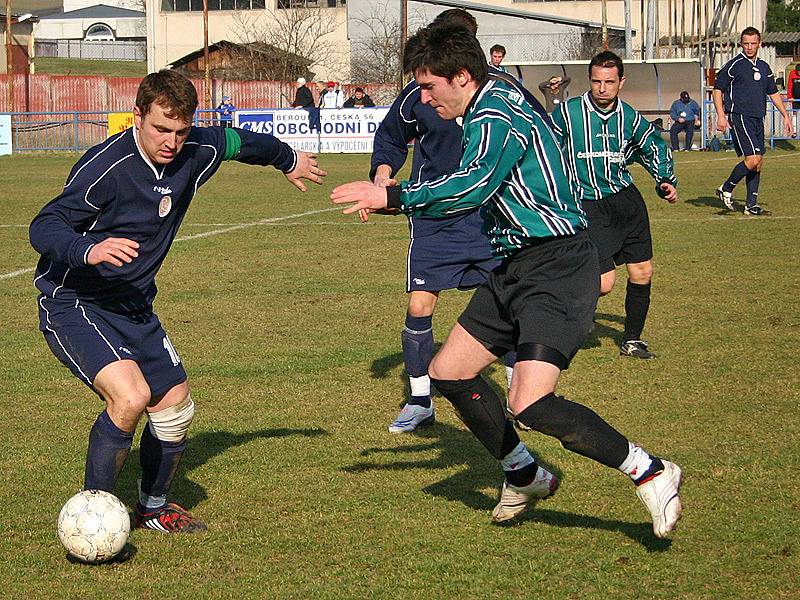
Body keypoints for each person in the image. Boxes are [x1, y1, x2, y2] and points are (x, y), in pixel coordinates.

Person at [332, 24, 683, 538]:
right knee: (449, 373)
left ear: (463, 76)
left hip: (557, 265)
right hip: (515, 265)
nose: (424, 100)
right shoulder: (484, 103)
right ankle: (522, 472)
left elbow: (474, 185)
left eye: (429, 88)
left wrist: (391, 196)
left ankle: (650, 470)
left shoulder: (497, 111)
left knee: (530, 403)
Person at [29, 70, 326, 533]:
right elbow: (44, 227)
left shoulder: (194, 151)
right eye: (161, 129)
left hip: (133, 304)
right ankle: (95, 514)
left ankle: (153, 507)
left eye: (181, 131)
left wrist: (286, 158)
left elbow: (236, 142)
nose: (171, 142)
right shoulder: (105, 168)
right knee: (131, 398)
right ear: (137, 117)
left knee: (174, 407)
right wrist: (89, 250)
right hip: (76, 299)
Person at [370, 8, 545, 434]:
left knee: (504, 302)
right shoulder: (421, 94)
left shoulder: (504, 93)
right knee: (419, 303)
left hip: (491, 214)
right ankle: (419, 399)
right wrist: (382, 171)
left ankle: (516, 393)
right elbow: (392, 135)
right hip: (435, 218)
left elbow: (543, 133)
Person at [550, 51, 678, 360]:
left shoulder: (630, 117)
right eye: (596, 81)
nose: (603, 88)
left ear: (621, 81)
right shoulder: (568, 114)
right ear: (590, 81)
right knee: (604, 283)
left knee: (643, 271)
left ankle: (632, 340)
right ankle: (564, 314)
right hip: (588, 205)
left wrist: (664, 179)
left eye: (609, 81)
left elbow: (653, 146)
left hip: (625, 203)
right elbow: (544, 148)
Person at [714, 27, 795, 216]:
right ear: (741, 44)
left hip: (758, 117)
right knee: (753, 159)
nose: (749, 47)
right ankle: (725, 188)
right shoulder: (735, 65)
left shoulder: (764, 67)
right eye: (746, 43)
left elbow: (773, 92)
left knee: (758, 162)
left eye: (753, 43)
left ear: (760, 43)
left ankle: (751, 205)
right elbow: (718, 88)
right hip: (740, 116)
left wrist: (785, 115)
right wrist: (720, 114)